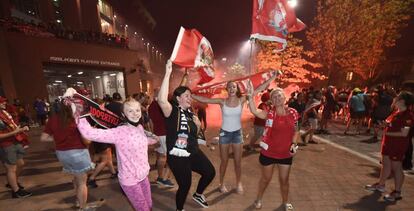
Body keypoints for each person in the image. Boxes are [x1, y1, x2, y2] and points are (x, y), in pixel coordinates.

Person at [192, 72, 277, 194]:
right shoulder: (222, 102)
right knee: (224, 161)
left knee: (238, 161)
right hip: (224, 134)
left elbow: (259, 89)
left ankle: (238, 183)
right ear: (227, 89)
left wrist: (273, 77)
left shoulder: (242, 99)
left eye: (234, 86)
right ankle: (221, 184)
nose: (231, 88)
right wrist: (192, 95)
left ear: (237, 89)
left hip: (237, 134)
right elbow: (205, 99)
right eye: (229, 87)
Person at [76, 98, 159, 211]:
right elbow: (89, 133)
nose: (135, 114)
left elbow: (144, 140)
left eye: (137, 110)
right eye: (130, 111)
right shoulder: (119, 132)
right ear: (123, 114)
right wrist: (79, 113)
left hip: (143, 176)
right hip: (130, 180)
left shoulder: (139, 128)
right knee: (143, 209)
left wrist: (154, 138)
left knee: (149, 206)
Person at [158, 60, 215, 210]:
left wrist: (197, 126)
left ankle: (198, 194)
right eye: (187, 96)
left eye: (191, 96)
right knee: (185, 185)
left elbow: (194, 134)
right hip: (177, 157)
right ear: (178, 99)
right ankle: (179, 209)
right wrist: (168, 73)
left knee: (210, 172)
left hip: (193, 151)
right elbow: (162, 100)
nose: (190, 98)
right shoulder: (172, 111)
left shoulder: (190, 113)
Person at [246, 86, 300, 211]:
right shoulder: (269, 113)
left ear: (284, 98)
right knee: (266, 179)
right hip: (268, 153)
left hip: (285, 154)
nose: (277, 98)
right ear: (272, 101)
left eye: (279, 95)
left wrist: (293, 144)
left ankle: (285, 202)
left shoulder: (293, 113)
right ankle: (258, 199)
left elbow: (296, 131)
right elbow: (254, 111)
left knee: (284, 180)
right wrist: (250, 97)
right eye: (274, 97)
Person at [40, 100, 95, 210]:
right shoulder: (78, 119)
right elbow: (87, 141)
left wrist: (58, 138)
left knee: (76, 178)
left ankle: (78, 201)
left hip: (62, 154)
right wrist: (92, 132)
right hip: (78, 153)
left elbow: (43, 138)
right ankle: (83, 207)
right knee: (82, 183)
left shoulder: (53, 119)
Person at [365, 91, 414, 201]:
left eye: (397, 98)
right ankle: (381, 185)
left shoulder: (408, 115)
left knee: (397, 168)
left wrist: (387, 132)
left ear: (402, 101)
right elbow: (390, 124)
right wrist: (383, 125)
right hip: (387, 143)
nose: (394, 99)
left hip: (397, 146)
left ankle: (397, 192)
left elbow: (404, 133)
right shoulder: (396, 113)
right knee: (385, 164)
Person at [0, 96, 31, 198]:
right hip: (5, 144)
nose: (4, 103)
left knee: (20, 164)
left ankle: (12, 182)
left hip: (15, 140)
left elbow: (12, 125)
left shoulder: (4, 112)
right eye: (2, 102)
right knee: (11, 168)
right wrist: (15, 131)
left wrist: (20, 129)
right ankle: (16, 191)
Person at [148, 88, 174, 187]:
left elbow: (150, 122)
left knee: (160, 156)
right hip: (164, 133)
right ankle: (163, 178)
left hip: (157, 133)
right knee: (167, 157)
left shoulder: (151, 106)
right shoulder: (161, 104)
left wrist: (153, 134)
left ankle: (160, 176)